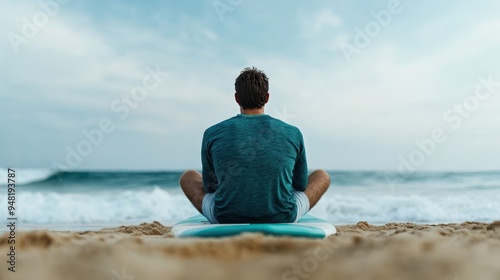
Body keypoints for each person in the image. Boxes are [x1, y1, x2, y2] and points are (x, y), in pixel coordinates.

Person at [180, 67, 330, 224]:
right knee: (322, 176)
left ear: (237, 98)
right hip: (283, 217)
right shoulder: (293, 132)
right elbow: (300, 185)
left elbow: (210, 187)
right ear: (267, 97)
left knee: (188, 176)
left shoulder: (212, 133)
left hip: (225, 217)